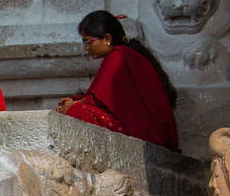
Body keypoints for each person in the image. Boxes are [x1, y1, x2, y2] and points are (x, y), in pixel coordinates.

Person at [56, 11, 180, 151]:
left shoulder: (119, 55)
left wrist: (75, 103)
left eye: (88, 41)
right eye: (84, 41)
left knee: (77, 111)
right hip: (143, 129)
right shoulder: (123, 53)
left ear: (107, 38)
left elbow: (100, 98)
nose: (86, 47)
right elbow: (108, 99)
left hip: (147, 134)